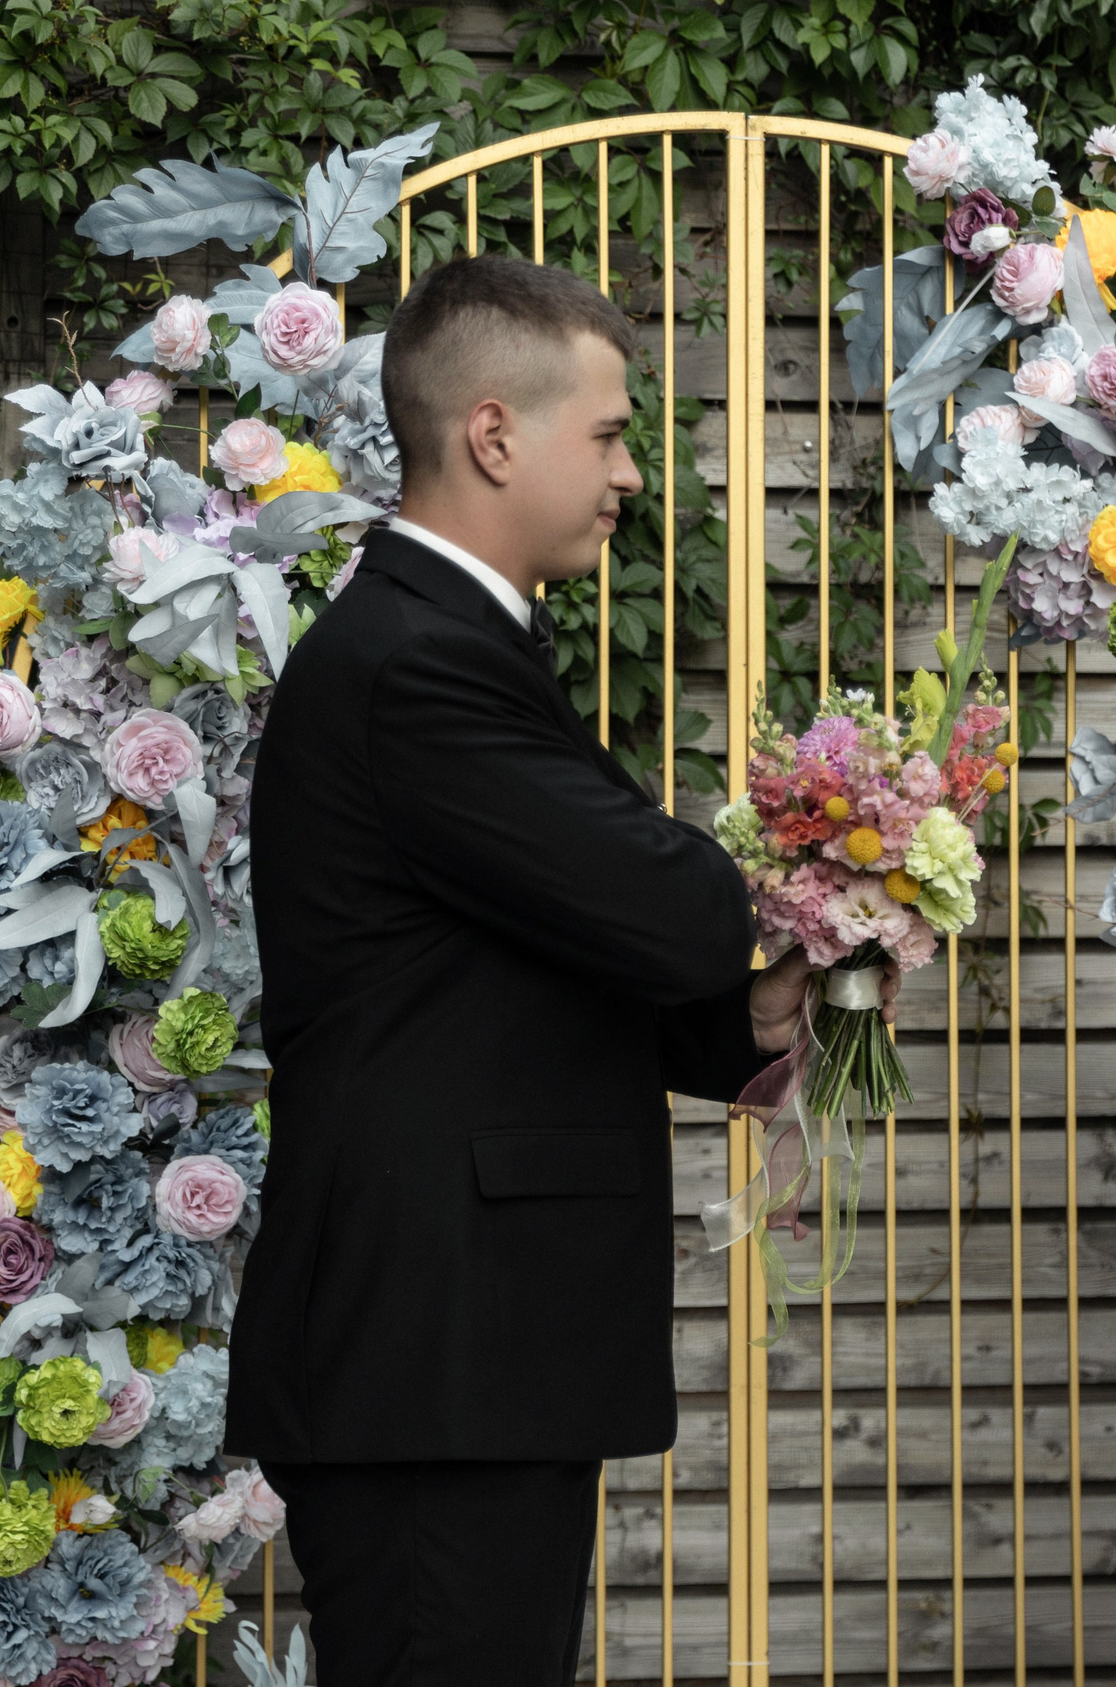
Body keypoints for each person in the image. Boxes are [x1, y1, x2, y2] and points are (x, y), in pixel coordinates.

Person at [227, 257, 828, 1685]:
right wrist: (823, 863)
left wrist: (753, 1012)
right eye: (612, 433)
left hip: (465, 1356)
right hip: (440, 1353)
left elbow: (523, 956)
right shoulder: (418, 663)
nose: (630, 473)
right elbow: (670, 907)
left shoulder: (445, 643)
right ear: (495, 433)